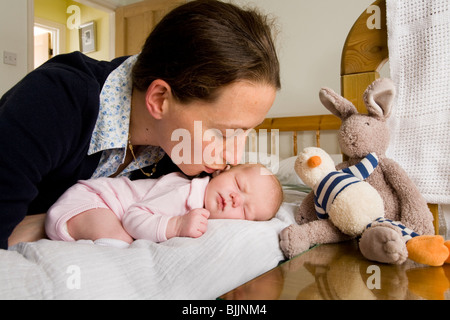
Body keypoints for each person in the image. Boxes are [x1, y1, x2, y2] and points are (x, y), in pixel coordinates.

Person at [0, 0, 280, 249]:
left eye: (246, 132)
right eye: (222, 133)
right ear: (159, 99)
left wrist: (39, 223)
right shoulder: (56, 99)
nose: (233, 157)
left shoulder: (180, 158)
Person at [45, 164, 283, 246]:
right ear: (222, 171)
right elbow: (133, 216)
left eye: (244, 209)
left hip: (95, 208)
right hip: (93, 200)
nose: (235, 198)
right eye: (238, 184)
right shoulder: (185, 191)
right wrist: (176, 225)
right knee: (120, 245)